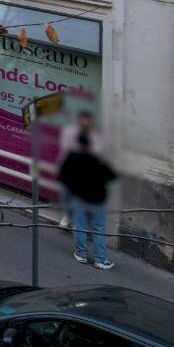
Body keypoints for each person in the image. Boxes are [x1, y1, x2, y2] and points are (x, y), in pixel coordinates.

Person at [57, 112, 118, 270]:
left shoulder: (72, 157)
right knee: (99, 228)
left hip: (78, 197)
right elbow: (112, 176)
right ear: (91, 144)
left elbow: (63, 175)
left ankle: (81, 253)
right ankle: (100, 259)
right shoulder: (97, 161)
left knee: (80, 225)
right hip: (97, 200)